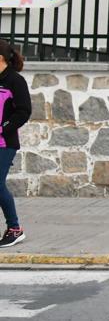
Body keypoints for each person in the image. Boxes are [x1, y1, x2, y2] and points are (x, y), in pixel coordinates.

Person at [0, 39, 30, 249]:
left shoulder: (15, 81)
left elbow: (24, 111)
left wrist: (3, 128)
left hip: (4, 143)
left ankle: (15, 229)